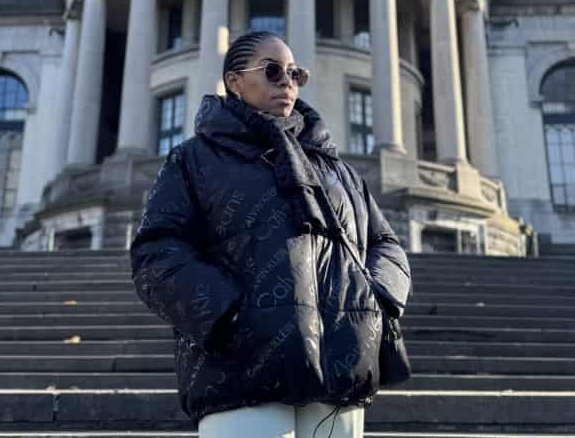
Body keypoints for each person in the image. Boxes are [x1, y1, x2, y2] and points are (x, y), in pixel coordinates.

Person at [130, 30, 412, 438]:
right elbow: (155, 253)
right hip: (241, 372)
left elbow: (386, 245)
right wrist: (227, 314)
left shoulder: (338, 171)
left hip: (341, 370)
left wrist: (374, 300)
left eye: (296, 73)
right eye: (273, 71)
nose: (288, 82)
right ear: (234, 81)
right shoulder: (195, 159)